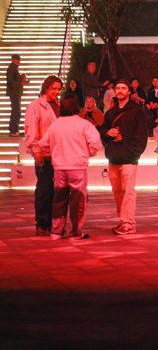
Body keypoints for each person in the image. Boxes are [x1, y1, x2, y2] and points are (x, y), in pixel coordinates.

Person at [38, 93, 103, 240]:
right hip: (77, 167)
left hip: (59, 168)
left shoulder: (56, 124)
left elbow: (43, 144)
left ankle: (56, 232)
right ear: (76, 106)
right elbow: (96, 144)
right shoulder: (83, 124)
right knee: (78, 200)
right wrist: (88, 153)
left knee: (58, 199)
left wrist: (55, 150)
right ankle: (75, 232)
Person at [99, 80, 149, 234]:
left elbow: (141, 136)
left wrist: (132, 153)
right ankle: (123, 220)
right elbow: (102, 131)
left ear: (129, 91)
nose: (120, 91)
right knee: (118, 192)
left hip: (128, 159)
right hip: (113, 158)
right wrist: (107, 133)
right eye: (118, 88)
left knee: (128, 192)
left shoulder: (137, 111)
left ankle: (128, 223)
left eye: (123, 88)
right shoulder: (110, 113)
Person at [24, 76, 62, 236]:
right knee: (44, 190)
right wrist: (36, 148)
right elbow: (31, 128)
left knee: (56, 191)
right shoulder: (36, 106)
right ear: (46, 88)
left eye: (59, 89)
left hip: (58, 154)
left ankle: (53, 223)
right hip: (43, 153)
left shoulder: (59, 106)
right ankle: (42, 223)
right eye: (54, 88)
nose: (57, 92)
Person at [6, 54, 24, 135]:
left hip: (16, 92)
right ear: (12, 60)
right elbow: (10, 81)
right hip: (14, 93)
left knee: (17, 111)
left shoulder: (14, 68)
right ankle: (13, 130)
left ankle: (15, 129)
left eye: (19, 59)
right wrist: (20, 82)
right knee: (16, 111)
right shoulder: (11, 69)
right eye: (17, 59)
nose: (18, 61)